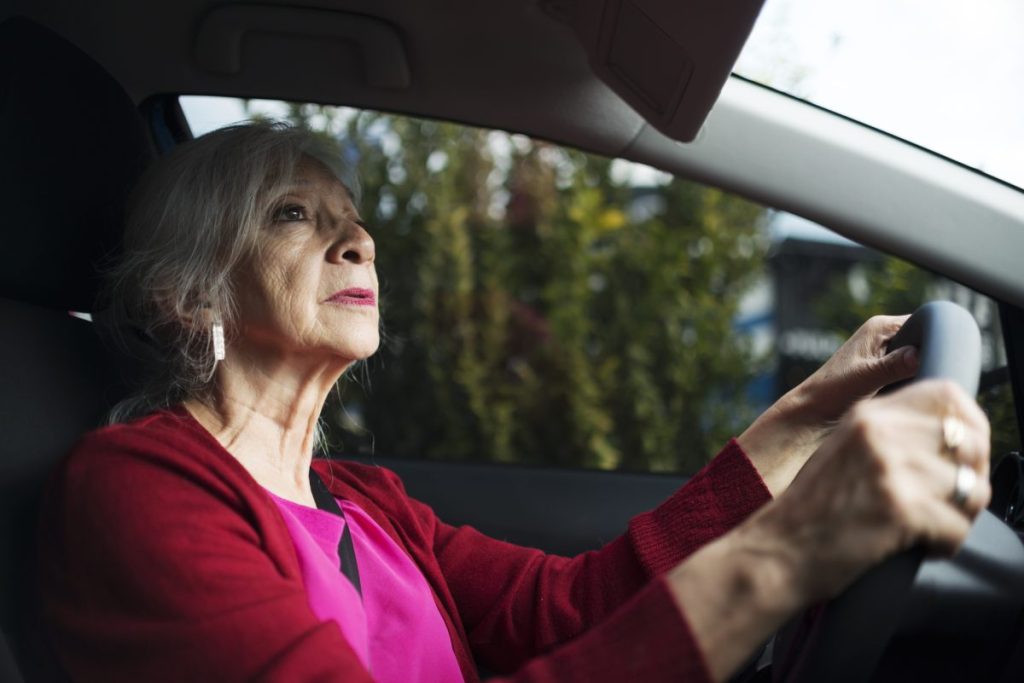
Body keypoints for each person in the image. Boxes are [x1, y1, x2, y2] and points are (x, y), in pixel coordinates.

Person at [37, 122, 991, 683]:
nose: (358, 244)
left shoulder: (369, 504)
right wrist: (781, 559)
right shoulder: (136, 491)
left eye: (354, 224)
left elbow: (569, 608)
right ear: (187, 294)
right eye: (295, 216)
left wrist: (801, 417)